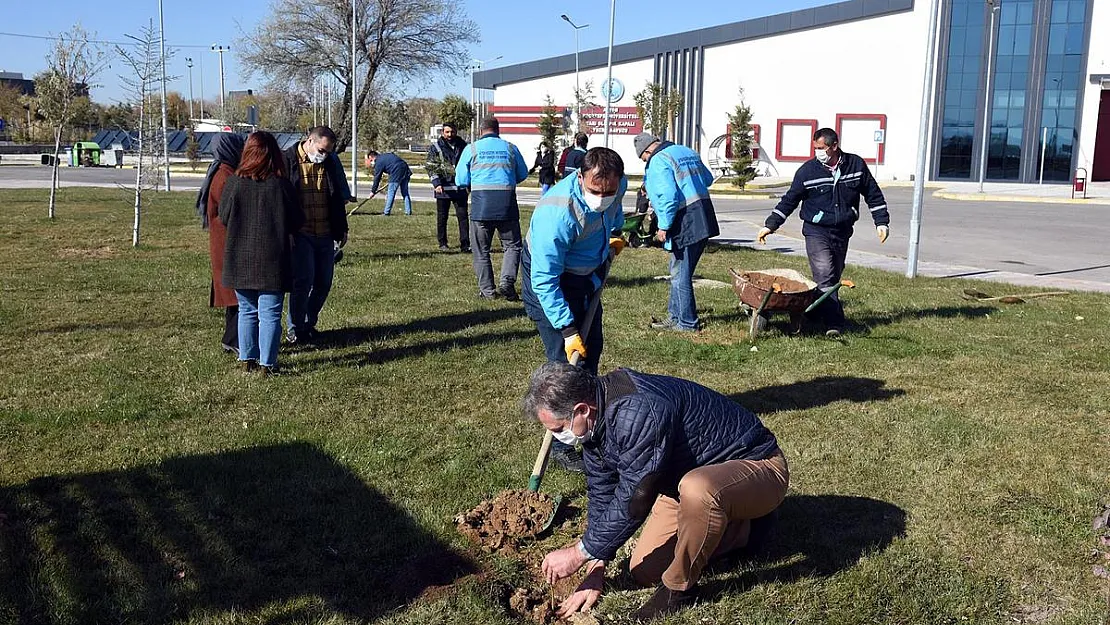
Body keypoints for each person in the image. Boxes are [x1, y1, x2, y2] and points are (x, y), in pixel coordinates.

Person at [524, 362, 789, 621]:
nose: (559, 437)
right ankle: (742, 530)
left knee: (699, 490)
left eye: (558, 429)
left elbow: (636, 498)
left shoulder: (638, 412)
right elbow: (602, 492)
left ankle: (679, 590)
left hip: (757, 466)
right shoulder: (595, 424)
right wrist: (596, 562)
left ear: (582, 409)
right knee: (646, 571)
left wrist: (578, 553)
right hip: (682, 485)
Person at [521, 147, 627, 472]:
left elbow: (612, 215)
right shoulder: (557, 213)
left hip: (586, 276)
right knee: (564, 366)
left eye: (609, 191)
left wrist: (612, 239)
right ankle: (562, 443)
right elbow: (544, 280)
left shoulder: (614, 189)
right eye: (595, 191)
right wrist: (567, 331)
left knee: (591, 350)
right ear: (580, 178)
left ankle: (589, 424)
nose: (602, 197)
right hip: (551, 282)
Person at [756, 128, 890, 337]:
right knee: (825, 275)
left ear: (834, 146)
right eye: (815, 148)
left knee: (833, 275)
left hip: (843, 230)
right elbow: (790, 199)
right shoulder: (807, 171)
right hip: (816, 230)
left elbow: (873, 194)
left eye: (821, 148)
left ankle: (811, 312)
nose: (818, 152)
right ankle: (834, 324)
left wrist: (881, 222)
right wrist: (770, 225)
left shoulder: (856, 165)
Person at [218, 131, 304, 375]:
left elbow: (223, 216)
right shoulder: (281, 186)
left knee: (247, 310)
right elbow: (297, 220)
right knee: (270, 313)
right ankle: (268, 364)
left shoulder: (234, 183)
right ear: (273, 155)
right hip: (273, 258)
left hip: (239, 257)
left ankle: (247, 360)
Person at [634, 133, 720, 332]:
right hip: (703, 214)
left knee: (681, 275)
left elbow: (668, 197)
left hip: (685, 219)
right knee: (679, 271)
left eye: (643, 159)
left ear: (647, 151)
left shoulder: (657, 161)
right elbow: (707, 179)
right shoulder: (686, 150)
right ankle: (675, 317)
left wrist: (663, 226)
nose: (645, 162)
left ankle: (688, 323)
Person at [281, 126, 351, 344]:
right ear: (309, 141)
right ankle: (295, 328)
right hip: (301, 234)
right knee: (303, 282)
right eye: (322, 150)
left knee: (323, 283)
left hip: (325, 232)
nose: (324, 154)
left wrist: (342, 228)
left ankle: (308, 323)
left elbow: (338, 197)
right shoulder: (288, 161)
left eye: (328, 151)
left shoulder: (330, 162)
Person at [454, 117, 530, 300]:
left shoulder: (471, 149)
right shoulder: (510, 148)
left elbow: (461, 180)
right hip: (507, 205)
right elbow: (523, 174)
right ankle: (507, 282)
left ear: (480, 131)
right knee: (512, 246)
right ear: (498, 130)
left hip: (481, 206)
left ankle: (487, 291)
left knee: (481, 250)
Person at [196, 132, 246, 354]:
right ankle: (234, 339)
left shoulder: (221, 171)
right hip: (228, 241)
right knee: (238, 293)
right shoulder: (225, 175)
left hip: (223, 240)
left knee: (233, 294)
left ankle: (231, 337)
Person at [426, 122, 471, 252]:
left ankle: (465, 244)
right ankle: (442, 243)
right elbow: (430, 166)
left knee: (463, 217)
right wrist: (437, 183)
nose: (450, 134)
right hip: (443, 188)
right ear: (442, 133)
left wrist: (469, 185)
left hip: (460, 188)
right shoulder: (436, 147)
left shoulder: (464, 146)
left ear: (456, 132)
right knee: (442, 217)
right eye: (447, 132)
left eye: (452, 132)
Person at [367, 150, 414, 216]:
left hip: (396, 172)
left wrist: (373, 191)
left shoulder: (379, 162)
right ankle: (408, 212)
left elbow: (377, 178)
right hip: (405, 169)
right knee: (405, 192)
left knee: (391, 193)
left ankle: (386, 212)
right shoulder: (384, 156)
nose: (371, 162)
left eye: (370, 159)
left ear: (371, 156)